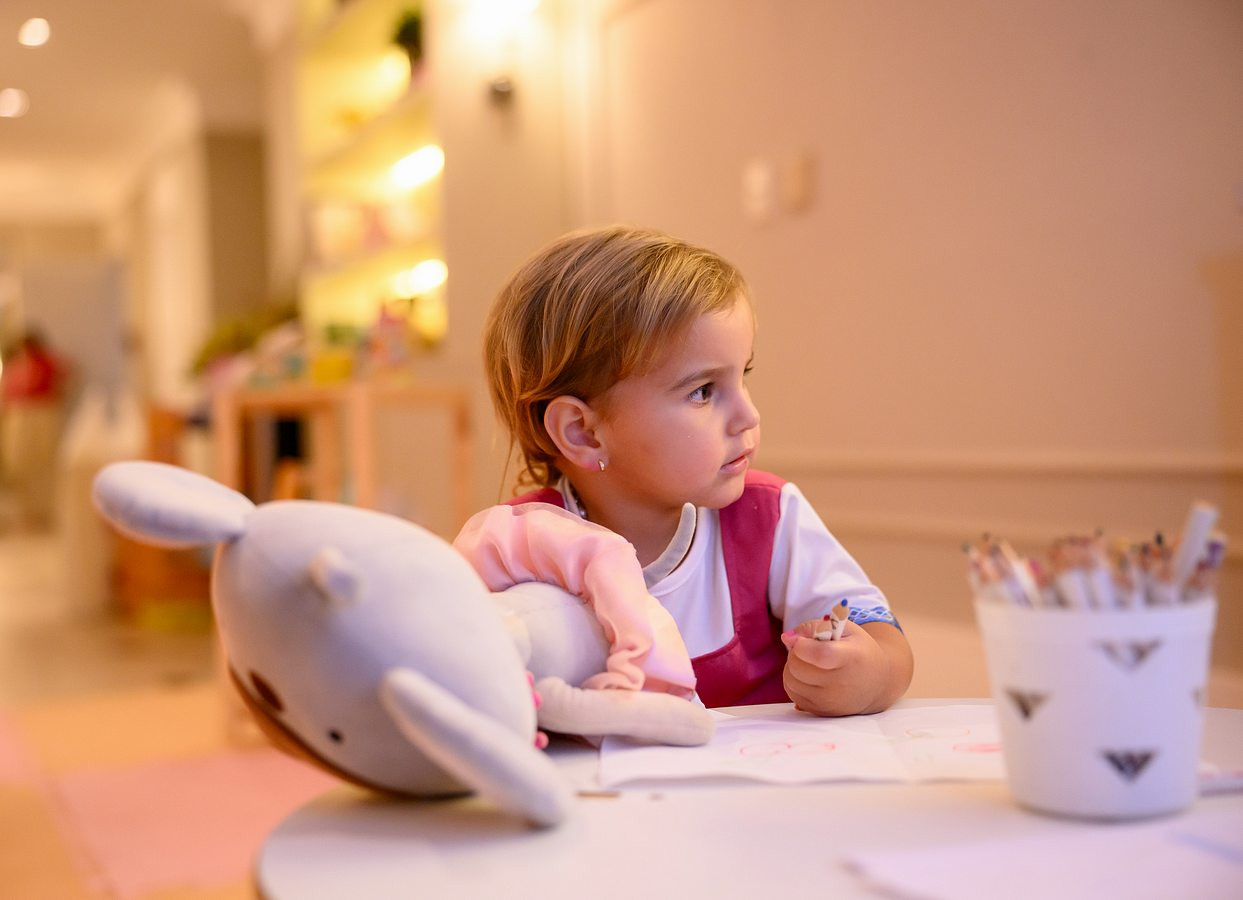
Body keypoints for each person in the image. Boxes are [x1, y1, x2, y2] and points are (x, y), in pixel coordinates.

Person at [472, 225, 913, 716]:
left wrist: (869, 673)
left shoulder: (768, 517)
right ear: (583, 432)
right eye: (703, 391)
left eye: (743, 376)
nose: (749, 415)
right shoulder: (519, 547)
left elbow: (886, 642)